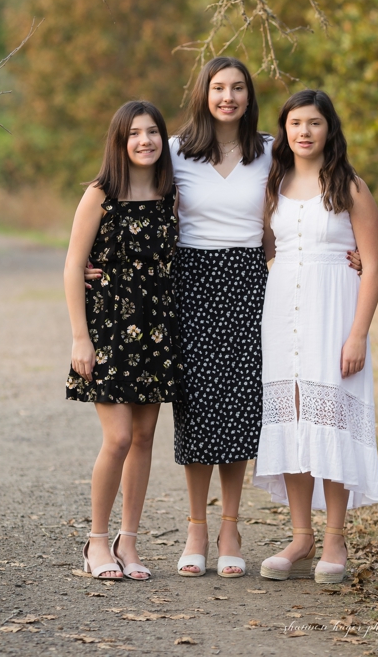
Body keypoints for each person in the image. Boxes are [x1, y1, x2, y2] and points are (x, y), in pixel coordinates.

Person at [253, 90, 378, 583]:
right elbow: (268, 245)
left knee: (328, 417)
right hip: (283, 310)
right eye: (294, 123)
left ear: (329, 129)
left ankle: (335, 539)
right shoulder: (275, 183)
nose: (303, 132)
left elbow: (373, 265)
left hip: (335, 314)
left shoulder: (349, 186)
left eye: (314, 123)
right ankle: (300, 537)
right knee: (291, 414)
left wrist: (358, 335)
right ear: (284, 130)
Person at [63, 101, 183, 581]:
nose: (145, 141)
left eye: (153, 132)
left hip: (157, 330)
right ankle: (96, 542)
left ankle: (128, 543)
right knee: (117, 437)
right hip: (109, 329)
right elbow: (74, 264)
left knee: (144, 437)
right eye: (135, 133)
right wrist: (79, 338)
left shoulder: (170, 193)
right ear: (119, 140)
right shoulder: (100, 194)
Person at [164, 57, 272, 578]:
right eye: (218, 87)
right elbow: (123, 197)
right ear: (203, 94)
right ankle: (196, 528)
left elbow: (313, 202)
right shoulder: (174, 153)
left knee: (240, 406)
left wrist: (353, 250)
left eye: (237, 88)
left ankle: (231, 526)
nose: (227, 96)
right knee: (197, 407)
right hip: (193, 284)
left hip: (251, 283)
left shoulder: (271, 151)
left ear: (249, 97)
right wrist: (92, 258)